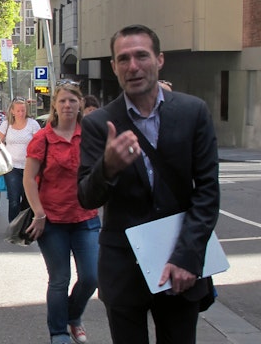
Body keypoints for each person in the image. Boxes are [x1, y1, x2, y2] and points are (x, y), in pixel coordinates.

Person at [77, 24, 220, 344]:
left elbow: (208, 191)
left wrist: (187, 257)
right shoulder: (99, 124)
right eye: (123, 59)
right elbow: (86, 197)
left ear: (159, 60)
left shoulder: (192, 112)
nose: (133, 66)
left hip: (180, 265)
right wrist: (108, 168)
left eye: (142, 56)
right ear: (114, 67)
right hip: (124, 268)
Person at [23, 82, 101, 344]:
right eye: (63, 101)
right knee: (59, 279)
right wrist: (39, 214)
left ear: (80, 105)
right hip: (52, 221)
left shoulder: (90, 136)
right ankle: (58, 332)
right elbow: (29, 179)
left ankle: (73, 316)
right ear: (55, 105)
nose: (68, 105)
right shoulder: (43, 138)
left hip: (85, 217)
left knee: (91, 276)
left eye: (73, 101)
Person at [0, 97, 40, 222]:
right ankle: (13, 228)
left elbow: (39, 143)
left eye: (23, 110)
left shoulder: (33, 124)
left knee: (28, 199)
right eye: (18, 110)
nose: (21, 113)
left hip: (30, 167)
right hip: (12, 167)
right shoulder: (6, 125)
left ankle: (25, 226)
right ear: (12, 111)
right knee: (14, 199)